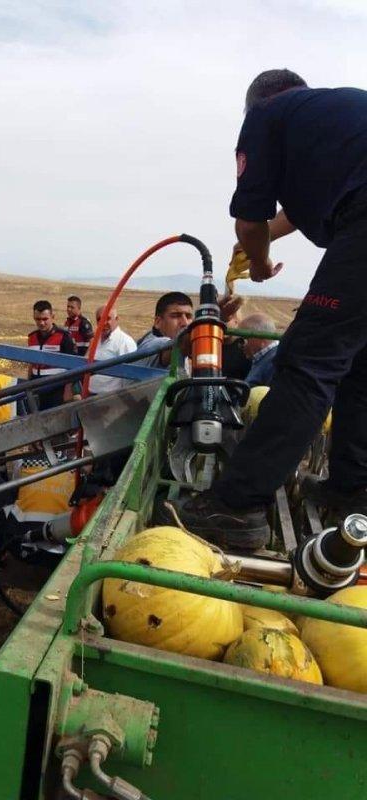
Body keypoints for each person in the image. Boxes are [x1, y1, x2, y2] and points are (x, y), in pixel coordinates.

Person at [174, 68, 367, 550]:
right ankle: (351, 492)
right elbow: (290, 218)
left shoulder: (266, 114)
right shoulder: (334, 120)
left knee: (308, 362)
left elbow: (251, 220)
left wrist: (256, 262)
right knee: (359, 365)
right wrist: (253, 248)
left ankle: (235, 506)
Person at [27, 300, 80, 410]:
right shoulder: (32, 337)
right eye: (38, 319)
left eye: (45, 319)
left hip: (57, 389)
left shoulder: (64, 336)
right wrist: (28, 384)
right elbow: (31, 364)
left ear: (52, 316)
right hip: (36, 388)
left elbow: (73, 365)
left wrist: (68, 389)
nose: (41, 323)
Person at [136, 292, 194, 369]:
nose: (185, 323)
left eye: (188, 316)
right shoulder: (151, 345)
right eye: (176, 316)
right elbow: (180, 345)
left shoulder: (180, 351)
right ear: (158, 322)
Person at [88, 306, 137, 394]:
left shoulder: (125, 342)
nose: (104, 323)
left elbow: (130, 377)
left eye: (108, 318)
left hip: (110, 398)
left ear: (117, 319)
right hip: (89, 395)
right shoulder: (95, 340)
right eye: (100, 319)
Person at [239, 313, 278, 387]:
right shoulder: (263, 359)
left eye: (242, 340)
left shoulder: (274, 361)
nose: (240, 345)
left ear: (260, 337)